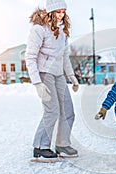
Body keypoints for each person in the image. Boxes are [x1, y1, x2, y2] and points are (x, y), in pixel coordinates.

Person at [25, 0, 79, 161]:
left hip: (58, 75)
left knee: (68, 110)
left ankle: (62, 144)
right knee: (52, 110)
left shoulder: (63, 31)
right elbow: (30, 57)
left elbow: (64, 57)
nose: (61, 15)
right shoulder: (38, 29)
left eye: (63, 11)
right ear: (50, 12)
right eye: (58, 11)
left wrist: (71, 76)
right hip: (44, 74)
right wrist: (37, 83)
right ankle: (40, 147)